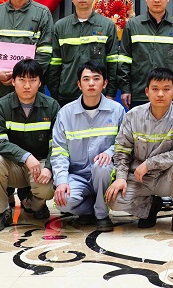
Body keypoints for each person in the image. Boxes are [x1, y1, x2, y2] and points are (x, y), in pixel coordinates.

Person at [0, 0, 54, 213]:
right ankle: (3, 197)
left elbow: (45, 51)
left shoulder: (42, 14)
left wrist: (26, 77)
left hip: (29, 87)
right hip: (0, 88)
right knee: (0, 141)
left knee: (31, 137)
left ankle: (30, 192)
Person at [106, 68, 173, 239]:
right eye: (155, 89)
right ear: (147, 91)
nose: (160, 94)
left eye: (166, 89)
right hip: (139, 178)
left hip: (166, 177)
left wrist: (149, 163)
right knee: (113, 200)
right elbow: (122, 149)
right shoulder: (133, 115)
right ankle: (150, 206)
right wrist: (121, 177)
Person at [0, 59, 61, 232]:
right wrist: (25, 157)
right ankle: (1, 212)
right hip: (13, 165)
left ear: (40, 82)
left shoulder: (51, 106)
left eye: (32, 80)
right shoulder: (1, 106)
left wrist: (49, 167)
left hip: (40, 165)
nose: (27, 85)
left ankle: (34, 204)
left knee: (47, 189)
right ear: (13, 81)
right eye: (22, 80)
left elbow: (57, 144)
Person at [50, 61, 126, 231]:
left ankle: (102, 215)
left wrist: (110, 152)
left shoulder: (117, 110)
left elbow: (124, 143)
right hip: (77, 175)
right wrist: (61, 181)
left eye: (96, 78)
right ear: (79, 84)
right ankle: (90, 208)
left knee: (101, 166)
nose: (91, 83)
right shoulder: (65, 113)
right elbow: (59, 152)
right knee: (63, 202)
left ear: (105, 83)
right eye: (86, 79)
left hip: (104, 173)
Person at [117, 0, 173, 109]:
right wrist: (125, 88)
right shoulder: (133, 25)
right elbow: (124, 60)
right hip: (139, 93)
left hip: (169, 94)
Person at [49, 0, 119, 106]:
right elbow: (54, 64)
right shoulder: (60, 26)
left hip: (99, 95)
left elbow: (113, 63)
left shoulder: (107, 25)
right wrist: (55, 94)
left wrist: (111, 93)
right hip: (67, 94)